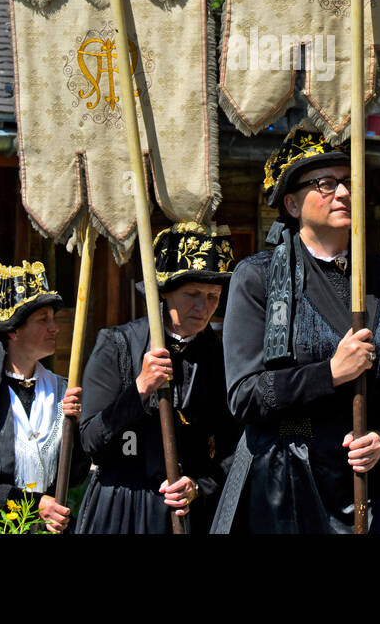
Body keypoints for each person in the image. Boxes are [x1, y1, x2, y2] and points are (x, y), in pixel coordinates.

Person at [211, 125, 380, 534]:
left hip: (378, 478)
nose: (344, 192)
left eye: (349, 182)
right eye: (326, 184)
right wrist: (329, 373)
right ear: (293, 204)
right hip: (288, 477)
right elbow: (245, 395)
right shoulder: (257, 278)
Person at [76, 222, 238, 533]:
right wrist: (140, 388)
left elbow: (234, 444)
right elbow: (91, 439)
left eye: (213, 296)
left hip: (188, 509)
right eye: (192, 294)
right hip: (122, 506)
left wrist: (200, 485)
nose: (204, 307)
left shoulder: (219, 358)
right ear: (164, 293)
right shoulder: (117, 345)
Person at [0, 260, 86, 532]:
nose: (54, 328)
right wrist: (33, 506)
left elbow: (75, 476)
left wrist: (75, 427)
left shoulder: (62, 393)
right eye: (43, 320)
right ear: (13, 330)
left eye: (53, 319)